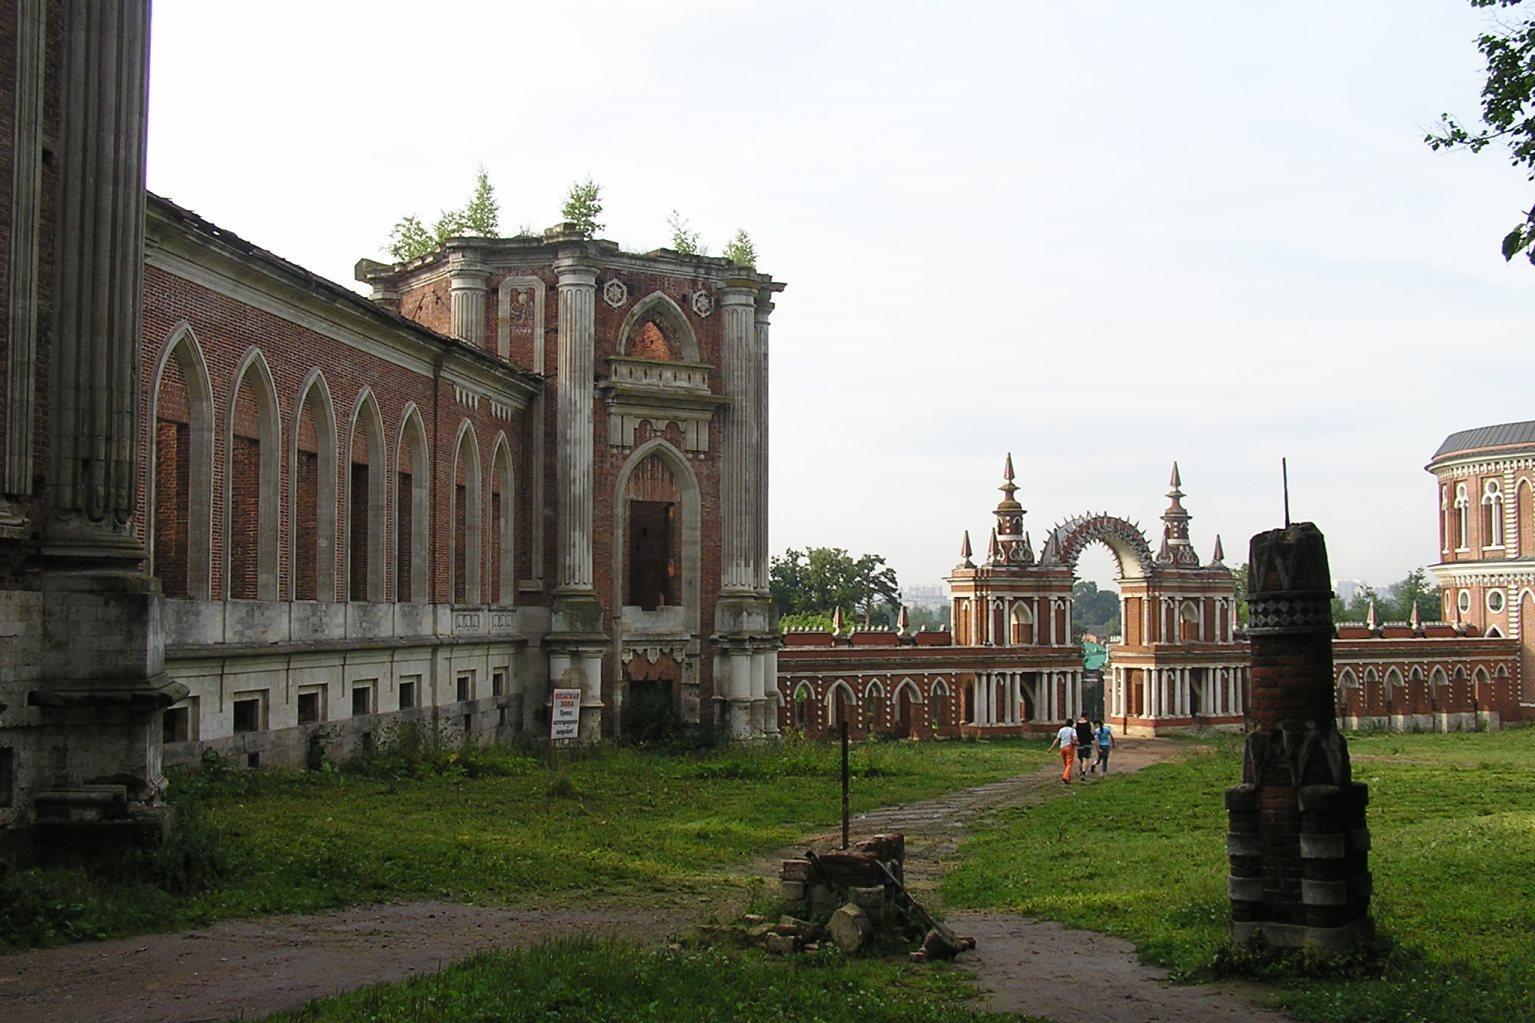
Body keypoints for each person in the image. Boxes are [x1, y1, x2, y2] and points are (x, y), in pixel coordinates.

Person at [1049, 718, 1077, 784]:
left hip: (1062, 747)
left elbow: (1057, 739)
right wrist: (1076, 742)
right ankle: (1065, 776)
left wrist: (1051, 748)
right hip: (1069, 747)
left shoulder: (1061, 730)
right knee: (1069, 763)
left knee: (1065, 764)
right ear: (1072, 724)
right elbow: (1075, 738)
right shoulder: (1073, 730)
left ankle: (1068, 779)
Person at [1074, 715, 1094, 780]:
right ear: (1086, 716)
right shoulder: (1090, 723)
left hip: (1079, 743)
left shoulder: (1075, 724)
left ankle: (1080, 773)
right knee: (1085, 759)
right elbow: (1093, 732)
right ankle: (1084, 772)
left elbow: (1074, 734)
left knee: (1080, 759)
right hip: (1087, 743)